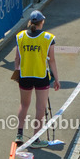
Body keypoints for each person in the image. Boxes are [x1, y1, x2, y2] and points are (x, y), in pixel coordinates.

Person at [14, 10, 60, 147]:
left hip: (25, 76)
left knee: (24, 105)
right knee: (40, 108)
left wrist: (17, 72)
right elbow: (52, 61)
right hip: (41, 76)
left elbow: (17, 59)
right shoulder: (48, 38)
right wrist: (57, 79)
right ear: (42, 22)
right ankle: (35, 139)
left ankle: (19, 134)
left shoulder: (20, 36)